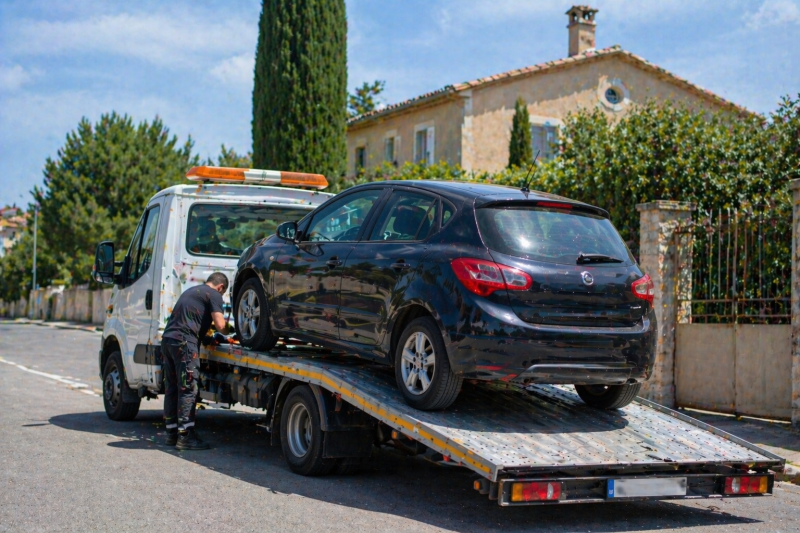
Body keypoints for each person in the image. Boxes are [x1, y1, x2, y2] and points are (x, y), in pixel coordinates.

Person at [161, 272, 230, 450]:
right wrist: (231, 332)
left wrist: (208, 340)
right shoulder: (213, 294)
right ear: (221, 287)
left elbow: (191, 322)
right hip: (184, 343)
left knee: (172, 387)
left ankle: (171, 433)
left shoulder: (192, 291)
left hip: (168, 341)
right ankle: (186, 437)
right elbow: (221, 325)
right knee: (188, 388)